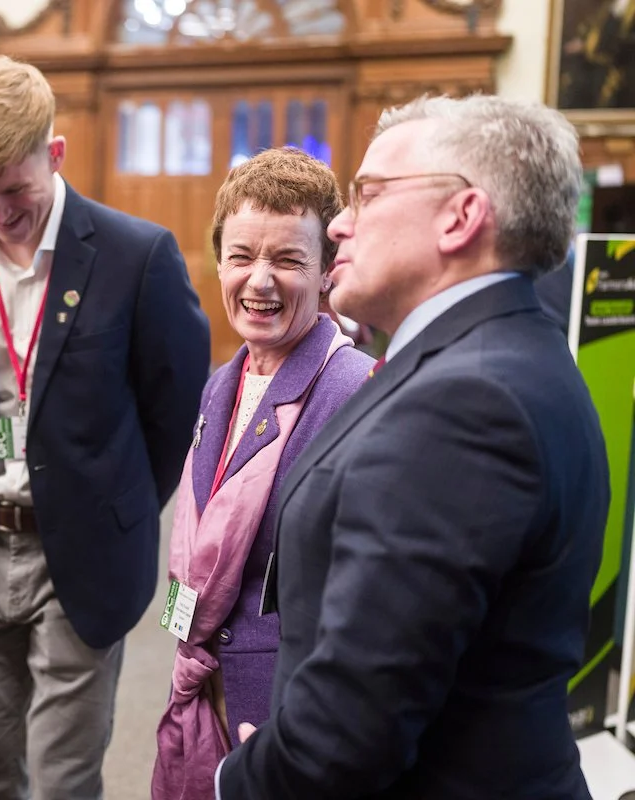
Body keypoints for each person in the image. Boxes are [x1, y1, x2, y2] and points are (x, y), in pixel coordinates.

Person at [217, 95, 609, 799]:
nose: (340, 222)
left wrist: (240, 780)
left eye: (367, 194)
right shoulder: (497, 355)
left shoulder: (469, 400)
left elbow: (354, 724)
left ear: (461, 217)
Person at [0, 56, 210, 799]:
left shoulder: (137, 256)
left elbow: (174, 409)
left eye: (15, 191)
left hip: (83, 550)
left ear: (56, 154)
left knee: (65, 781)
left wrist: (115, 497)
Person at [151, 148, 373, 799]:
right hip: (202, 680)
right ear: (218, 261)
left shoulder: (355, 389)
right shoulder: (222, 384)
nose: (260, 280)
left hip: (284, 707)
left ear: (328, 270)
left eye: (288, 260)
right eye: (243, 256)